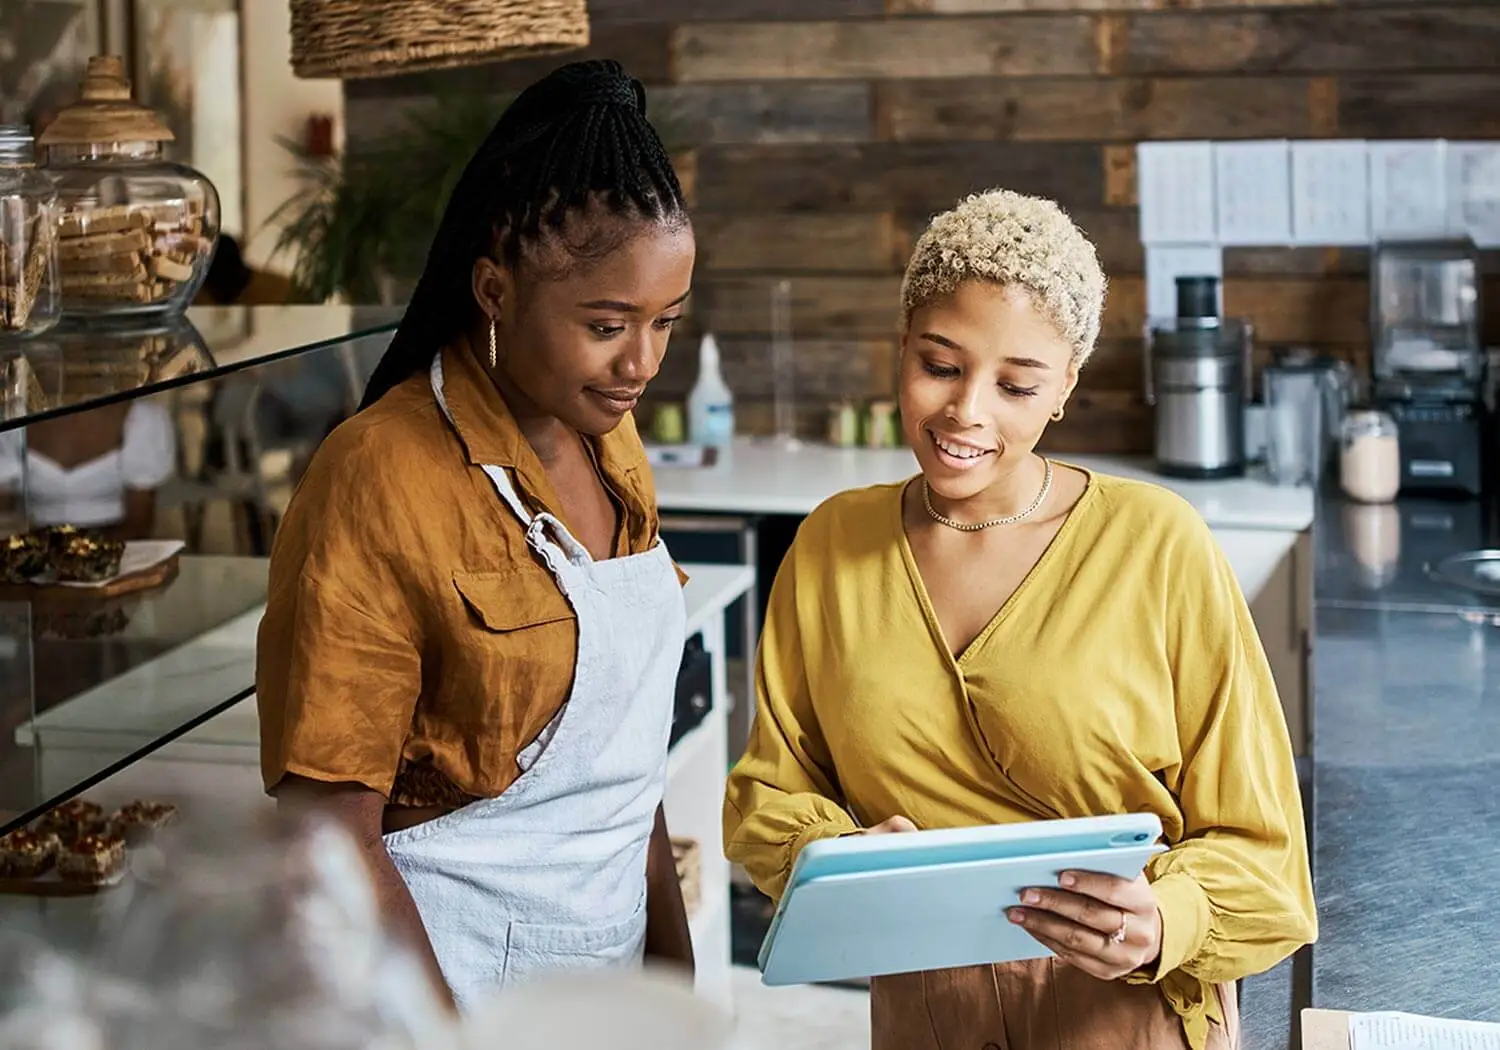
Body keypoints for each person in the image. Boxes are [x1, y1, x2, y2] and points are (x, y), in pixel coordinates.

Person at [723, 189, 1316, 1050]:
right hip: (925, 1014)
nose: (968, 411)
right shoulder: (829, 547)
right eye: (940, 365)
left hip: (1124, 1012)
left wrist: (1164, 918)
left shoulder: (1157, 545)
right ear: (901, 351)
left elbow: (1269, 863)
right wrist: (841, 854)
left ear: (1065, 385)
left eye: (1016, 384)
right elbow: (767, 797)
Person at [254, 60, 697, 1011]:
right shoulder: (378, 475)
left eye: (667, 321)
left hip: (603, 981)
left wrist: (671, 980)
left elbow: (625, 753)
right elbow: (327, 830)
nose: (642, 364)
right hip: (446, 996)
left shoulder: (611, 442)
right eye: (608, 323)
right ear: (495, 289)